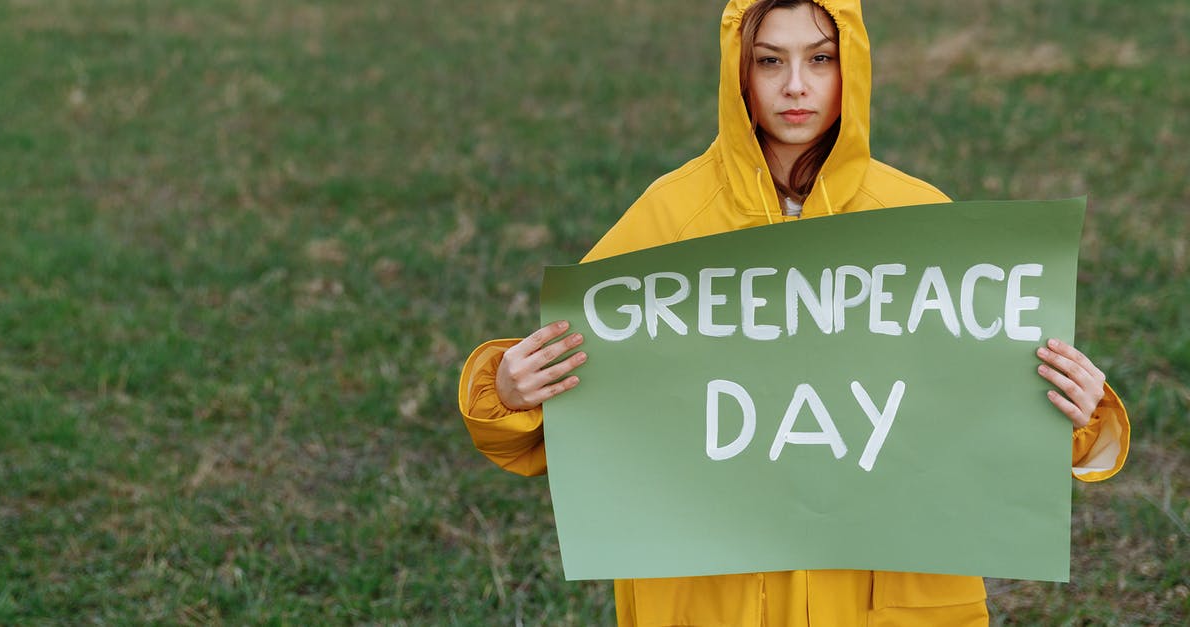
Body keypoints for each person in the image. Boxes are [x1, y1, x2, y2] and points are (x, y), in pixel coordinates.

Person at [458, 0, 1131, 624]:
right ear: (738, 70)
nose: (797, 86)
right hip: (711, 596)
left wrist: (1081, 416)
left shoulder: (921, 220)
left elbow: (985, 409)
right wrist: (509, 392)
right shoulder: (669, 217)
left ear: (853, 65)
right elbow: (584, 405)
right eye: (770, 60)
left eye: (820, 58)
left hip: (883, 596)